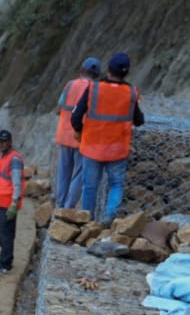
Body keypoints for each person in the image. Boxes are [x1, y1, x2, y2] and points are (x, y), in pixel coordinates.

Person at [70, 51, 142, 221]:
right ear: (126, 72)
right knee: (116, 185)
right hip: (117, 150)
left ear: (108, 68)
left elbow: (75, 116)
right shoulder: (131, 93)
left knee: (90, 187)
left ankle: (87, 220)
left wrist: (80, 130)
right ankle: (110, 216)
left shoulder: (94, 89)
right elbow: (139, 120)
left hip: (92, 148)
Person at [53, 57, 99, 208]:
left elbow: (58, 109)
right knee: (79, 175)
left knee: (63, 174)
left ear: (81, 69)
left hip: (64, 135)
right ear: (97, 74)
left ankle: (59, 205)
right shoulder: (95, 89)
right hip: (82, 138)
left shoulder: (69, 85)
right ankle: (68, 207)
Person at [0, 129, 24, 274]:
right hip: (0, 203)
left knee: (7, 235)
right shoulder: (3, 157)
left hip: (8, 204)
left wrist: (14, 204)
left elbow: (17, 184)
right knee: (0, 233)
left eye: (4, 142)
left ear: (10, 142)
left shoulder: (14, 159)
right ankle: (4, 257)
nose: (1, 144)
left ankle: (5, 265)